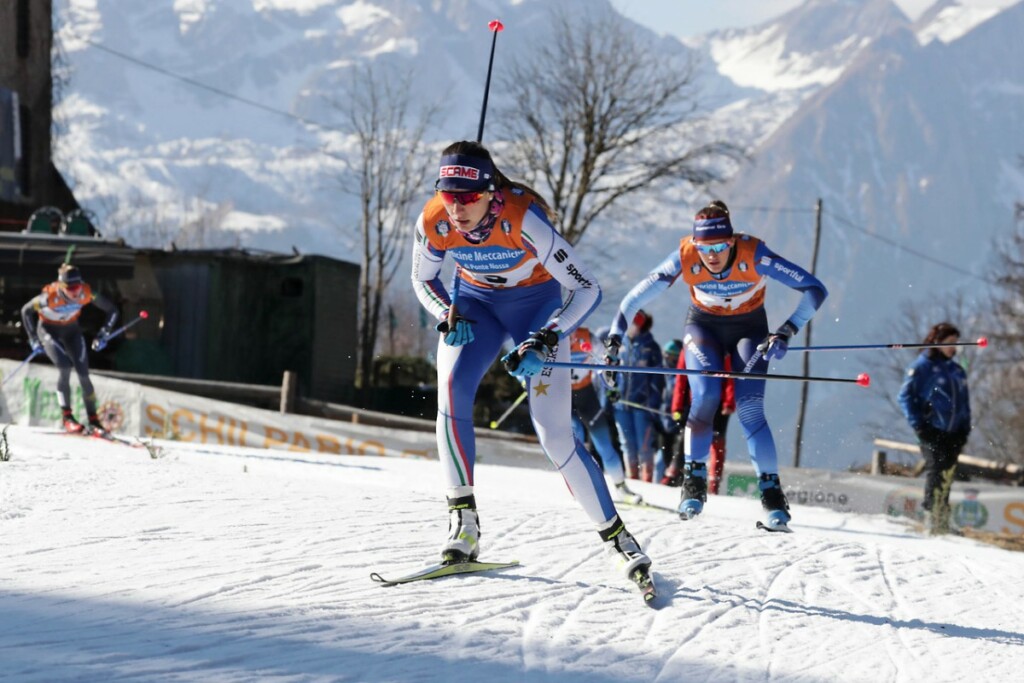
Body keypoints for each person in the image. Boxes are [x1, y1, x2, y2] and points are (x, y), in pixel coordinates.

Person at [410, 140, 653, 586]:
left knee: (554, 433)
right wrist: (447, 314)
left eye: (466, 198)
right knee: (451, 390)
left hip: (535, 310)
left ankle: (619, 540)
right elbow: (422, 278)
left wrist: (547, 337)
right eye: (448, 197)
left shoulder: (524, 220)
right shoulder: (433, 220)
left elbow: (587, 290)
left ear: (489, 191)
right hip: (476, 307)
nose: (456, 209)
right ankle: (463, 523)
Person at [604, 200, 827, 529]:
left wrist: (786, 331)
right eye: (704, 247)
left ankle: (771, 495)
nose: (712, 255)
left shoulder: (755, 254)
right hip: (703, 328)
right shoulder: (685, 255)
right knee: (706, 395)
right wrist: (614, 340)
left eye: (720, 246)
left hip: (748, 331)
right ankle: (692, 486)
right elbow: (633, 300)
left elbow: (814, 289)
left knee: (749, 407)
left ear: (733, 240)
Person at [21, 263, 119, 435]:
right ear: (61, 287)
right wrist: (33, 339)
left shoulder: (87, 293)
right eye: (70, 288)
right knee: (65, 367)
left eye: (78, 286)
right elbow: (25, 311)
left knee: (84, 374)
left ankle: (93, 420)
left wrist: (103, 334)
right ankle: (67, 418)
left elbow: (112, 310)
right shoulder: (48, 297)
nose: (75, 291)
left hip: (71, 330)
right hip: (48, 330)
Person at [897, 322, 972, 533]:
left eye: (956, 343)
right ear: (937, 342)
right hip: (931, 429)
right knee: (936, 470)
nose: (953, 347)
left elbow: (964, 402)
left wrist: (965, 428)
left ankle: (942, 518)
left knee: (947, 473)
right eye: (949, 342)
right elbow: (904, 396)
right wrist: (919, 425)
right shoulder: (923, 366)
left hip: (954, 432)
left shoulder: (957, 370)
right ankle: (931, 518)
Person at [568, 326, 641, 504]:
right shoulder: (551, 341)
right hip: (562, 397)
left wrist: (612, 386)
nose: (572, 337)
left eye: (574, 332)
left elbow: (606, 364)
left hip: (586, 395)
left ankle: (621, 487)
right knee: (572, 440)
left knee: (604, 444)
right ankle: (580, 488)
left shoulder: (588, 338)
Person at [662, 355, 735, 494]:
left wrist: (729, 402)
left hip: (719, 405)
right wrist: (676, 406)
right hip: (695, 401)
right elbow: (681, 378)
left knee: (717, 443)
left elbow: (730, 376)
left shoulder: (724, 347)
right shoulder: (689, 346)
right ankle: (676, 474)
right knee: (687, 438)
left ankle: (714, 483)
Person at [605, 310, 664, 483]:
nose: (630, 327)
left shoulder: (650, 346)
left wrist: (652, 404)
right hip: (621, 404)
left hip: (642, 406)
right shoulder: (618, 345)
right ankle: (632, 479)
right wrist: (610, 390)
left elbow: (658, 379)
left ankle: (647, 480)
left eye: (634, 323)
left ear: (640, 324)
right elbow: (608, 372)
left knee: (644, 445)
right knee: (627, 444)